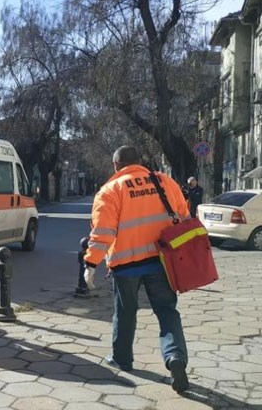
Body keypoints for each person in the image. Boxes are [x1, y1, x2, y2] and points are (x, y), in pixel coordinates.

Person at [83, 145, 190, 393]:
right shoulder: (165, 181)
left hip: (125, 267)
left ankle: (122, 359)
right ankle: (175, 357)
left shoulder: (110, 190)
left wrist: (90, 264)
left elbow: (103, 233)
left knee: (125, 313)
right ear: (140, 162)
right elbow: (184, 218)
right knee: (167, 312)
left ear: (116, 165)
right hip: (161, 263)